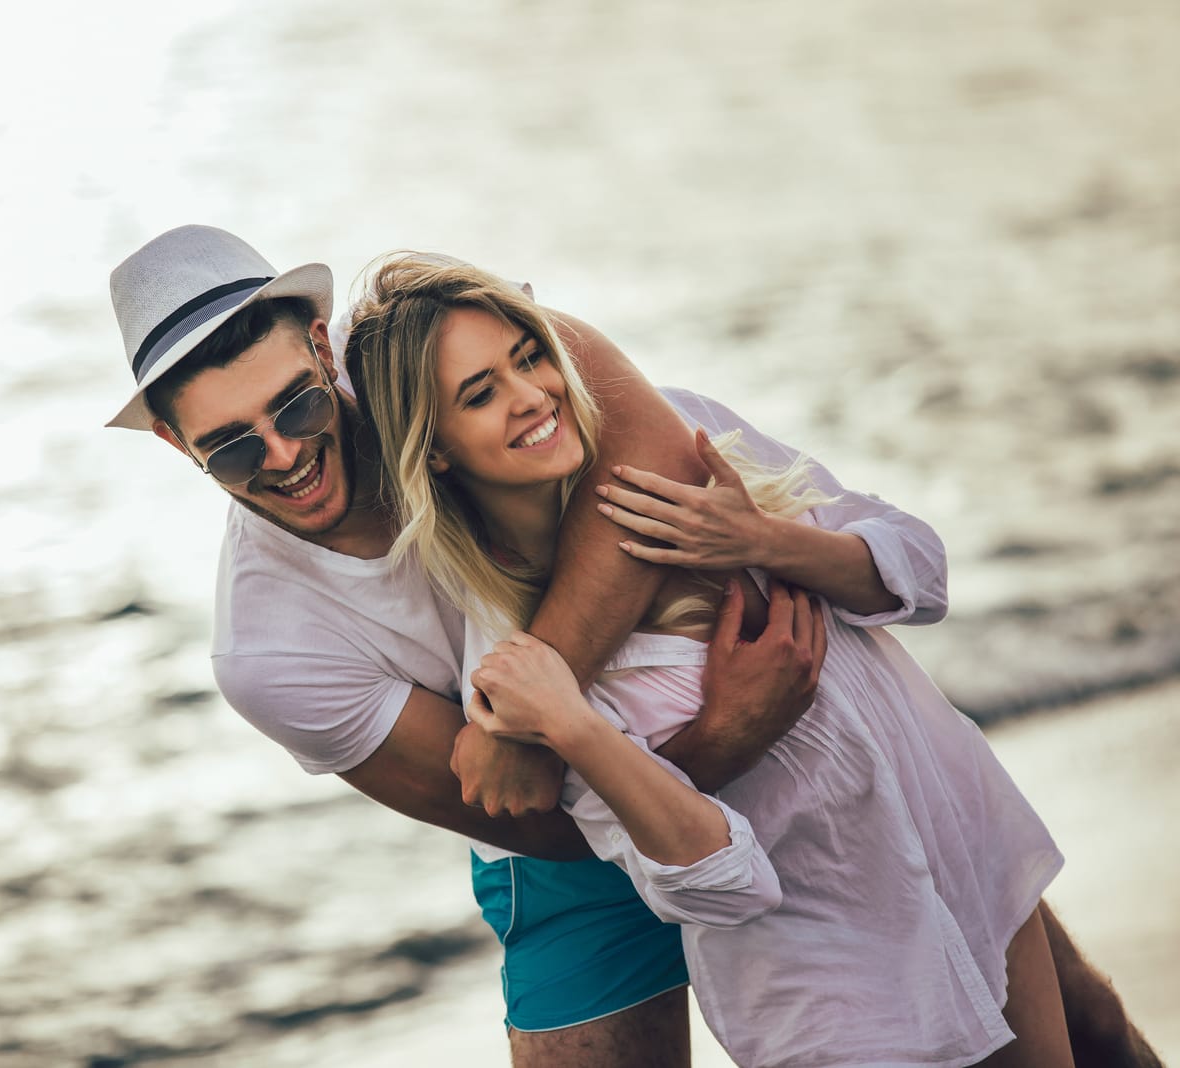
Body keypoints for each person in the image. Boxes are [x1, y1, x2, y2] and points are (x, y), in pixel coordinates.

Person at [102, 225, 1158, 1067]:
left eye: (293, 404)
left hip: (787, 761)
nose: (286, 454)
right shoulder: (267, 654)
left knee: (1083, 1028)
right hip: (580, 841)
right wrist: (713, 740)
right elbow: (526, 818)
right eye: (233, 448)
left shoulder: (453, 371)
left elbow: (649, 439)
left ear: (320, 346)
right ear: (173, 443)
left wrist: (536, 702)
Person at [339, 252, 1090, 1066]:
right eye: (480, 395)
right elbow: (710, 887)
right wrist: (575, 725)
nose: (532, 397)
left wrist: (764, 541)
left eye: (529, 357)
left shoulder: (682, 440)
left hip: (965, 858)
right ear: (435, 450)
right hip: (829, 977)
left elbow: (923, 572)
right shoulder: (520, 664)